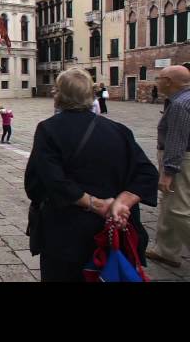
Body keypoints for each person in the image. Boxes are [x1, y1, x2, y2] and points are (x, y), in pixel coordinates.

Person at [24, 68, 158, 282]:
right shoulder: (119, 130)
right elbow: (147, 174)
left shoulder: (49, 129)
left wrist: (96, 204)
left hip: (66, 233)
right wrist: (121, 203)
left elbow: (49, 181)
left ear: (59, 95)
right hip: (112, 229)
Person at [146, 65, 190, 268]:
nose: (157, 81)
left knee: (177, 209)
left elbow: (176, 140)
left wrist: (169, 172)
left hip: (180, 160)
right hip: (182, 158)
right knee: (168, 203)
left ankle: (168, 250)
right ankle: (166, 250)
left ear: (169, 82)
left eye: (160, 78)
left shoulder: (181, 104)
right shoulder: (182, 100)